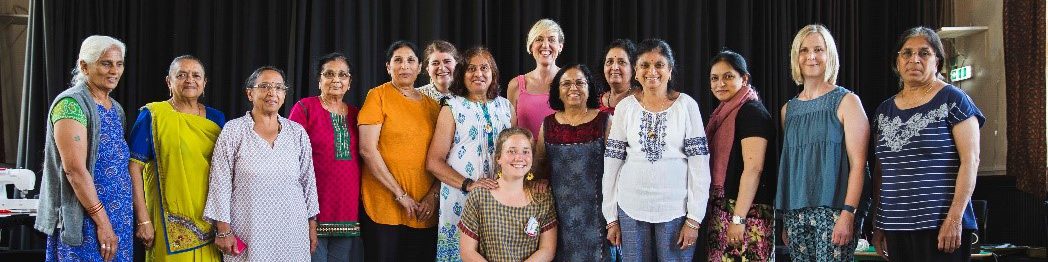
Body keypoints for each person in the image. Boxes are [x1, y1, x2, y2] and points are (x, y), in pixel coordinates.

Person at [870, 27, 984, 262]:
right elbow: (882, 172)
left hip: (941, 226)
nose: (915, 59)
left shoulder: (954, 99)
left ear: (937, 62)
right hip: (896, 226)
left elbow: (970, 161)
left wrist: (954, 219)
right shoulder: (883, 112)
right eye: (907, 53)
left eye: (924, 53)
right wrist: (879, 223)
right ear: (897, 62)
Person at [602, 39, 711, 261]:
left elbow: (699, 166)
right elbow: (612, 164)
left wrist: (694, 219)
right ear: (636, 72)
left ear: (670, 71)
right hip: (630, 207)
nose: (652, 71)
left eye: (659, 65)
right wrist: (611, 217)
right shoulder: (625, 108)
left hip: (676, 210)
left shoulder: (686, 106)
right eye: (644, 65)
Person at [202, 66, 320, 261]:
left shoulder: (297, 132)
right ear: (250, 93)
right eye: (264, 86)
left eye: (278, 87)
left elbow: (308, 182)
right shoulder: (234, 130)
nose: (272, 92)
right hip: (249, 231)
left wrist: (312, 225)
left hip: (292, 232)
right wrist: (223, 230)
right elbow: (220, 181)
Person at [776, 24, 868, 262]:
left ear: (830, 55)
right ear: (796, 56)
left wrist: (848, 214)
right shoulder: (788, 110)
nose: (811, 56)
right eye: (804, 50)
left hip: (835, 211)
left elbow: (859, 165)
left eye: (818, 49)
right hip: (796, 214)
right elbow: (793, 167)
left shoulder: (848, 101)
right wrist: (787, 219)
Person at [37, 35, 133, 262]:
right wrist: (103, 223)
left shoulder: (115, 108)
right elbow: (75, 172)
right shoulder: (71, 104)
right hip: (88, 222)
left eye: (119, 64)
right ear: (84, 66)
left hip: (118, 220)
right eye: (106, 63)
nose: (114, 71)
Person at [128, 55, 226, 262]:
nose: (189, 80)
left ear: (204, 82)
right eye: (181, 75)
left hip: (210, 219)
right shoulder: (153, 115)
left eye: (196, 75)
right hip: (167, 221)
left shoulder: (217, 119)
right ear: (169, 82)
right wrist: (143, 220)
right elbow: (133, 168)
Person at [425, 46, 512, 261]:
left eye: (485, 68)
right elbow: (434, 162)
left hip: (500, 200)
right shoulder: (452, 107)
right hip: (459, 200)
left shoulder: (506, 107)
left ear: (493, 74)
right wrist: (469, 184)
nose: (478, 74)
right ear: (462, 75)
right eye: (471, 69)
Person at [357, 40, 440, 261]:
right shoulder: (378, 96)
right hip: (384, 205)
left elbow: (444, 157)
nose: (405, 66)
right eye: (398, 60)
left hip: (423, 209)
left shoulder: (433, 106)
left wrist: (432, 198)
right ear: (388, 67)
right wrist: (401, 195)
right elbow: (367, 150)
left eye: (411, 60)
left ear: (420, 67)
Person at [288, 53, 364, 262]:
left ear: (349, 82)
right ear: (319, 80)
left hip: (347, 208)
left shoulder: (358, 115)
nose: (336, 80)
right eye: (329, 74)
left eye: (342, 75)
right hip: (312, 206)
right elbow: (289, 155)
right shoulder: (305, 108)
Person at [702, 50, 776, 261]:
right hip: (724, 212)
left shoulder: (752, 112)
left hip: (747, 215)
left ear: (744, 79)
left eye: (728, 76)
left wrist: (739, 218)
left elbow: (754, 169)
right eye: (714, 78)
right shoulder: (722, 114)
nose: (720, 84)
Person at [535, 64, 610, 261]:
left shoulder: (605, 121)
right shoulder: (548, 124)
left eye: (579, 83)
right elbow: (539, 165)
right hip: (558, 213)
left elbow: (616, 169)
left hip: (597, 213)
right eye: (566, 83)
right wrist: (540, 180)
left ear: (589, 88)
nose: (573, 88)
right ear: (557, 92)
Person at [459, 128, 558, 262]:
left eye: (525, 151)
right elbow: (468, 252)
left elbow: (547, 250)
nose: (519, 157)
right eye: (511, 151)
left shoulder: (542, 197)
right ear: (498, 158)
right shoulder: (480, 196)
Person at [508, 18, 564, 138]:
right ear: (531, 46)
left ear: (560, 46)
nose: (545, 45)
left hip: (562, 156)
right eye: (539, 39)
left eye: (551, 40)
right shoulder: (516, 85)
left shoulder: (569, 83)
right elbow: (510, 133)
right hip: (525, 156)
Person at [599, 39, 639, 114]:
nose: (614, 67)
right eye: (609, 62)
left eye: (621, 62)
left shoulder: (642, 99)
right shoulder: (596, 102)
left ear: (633, 69)